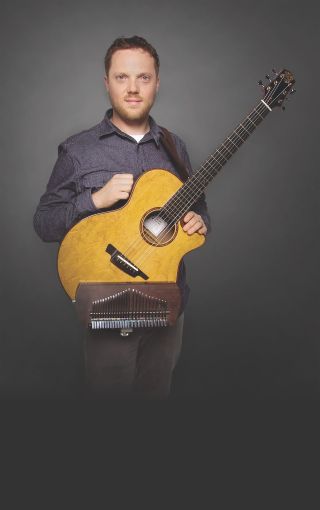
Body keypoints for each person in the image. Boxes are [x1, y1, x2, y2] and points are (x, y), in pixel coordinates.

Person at [33, 36, 211, 399]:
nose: (133, 89)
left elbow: (198, 207)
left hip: (167, 303)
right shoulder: (78, 150)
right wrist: (94, 199)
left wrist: (198, 221)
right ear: (107, 82)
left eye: (143, 78)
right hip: (107, 305)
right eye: (122, 77)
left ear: (157, 83)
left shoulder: (175, 148)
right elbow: (44, 223)